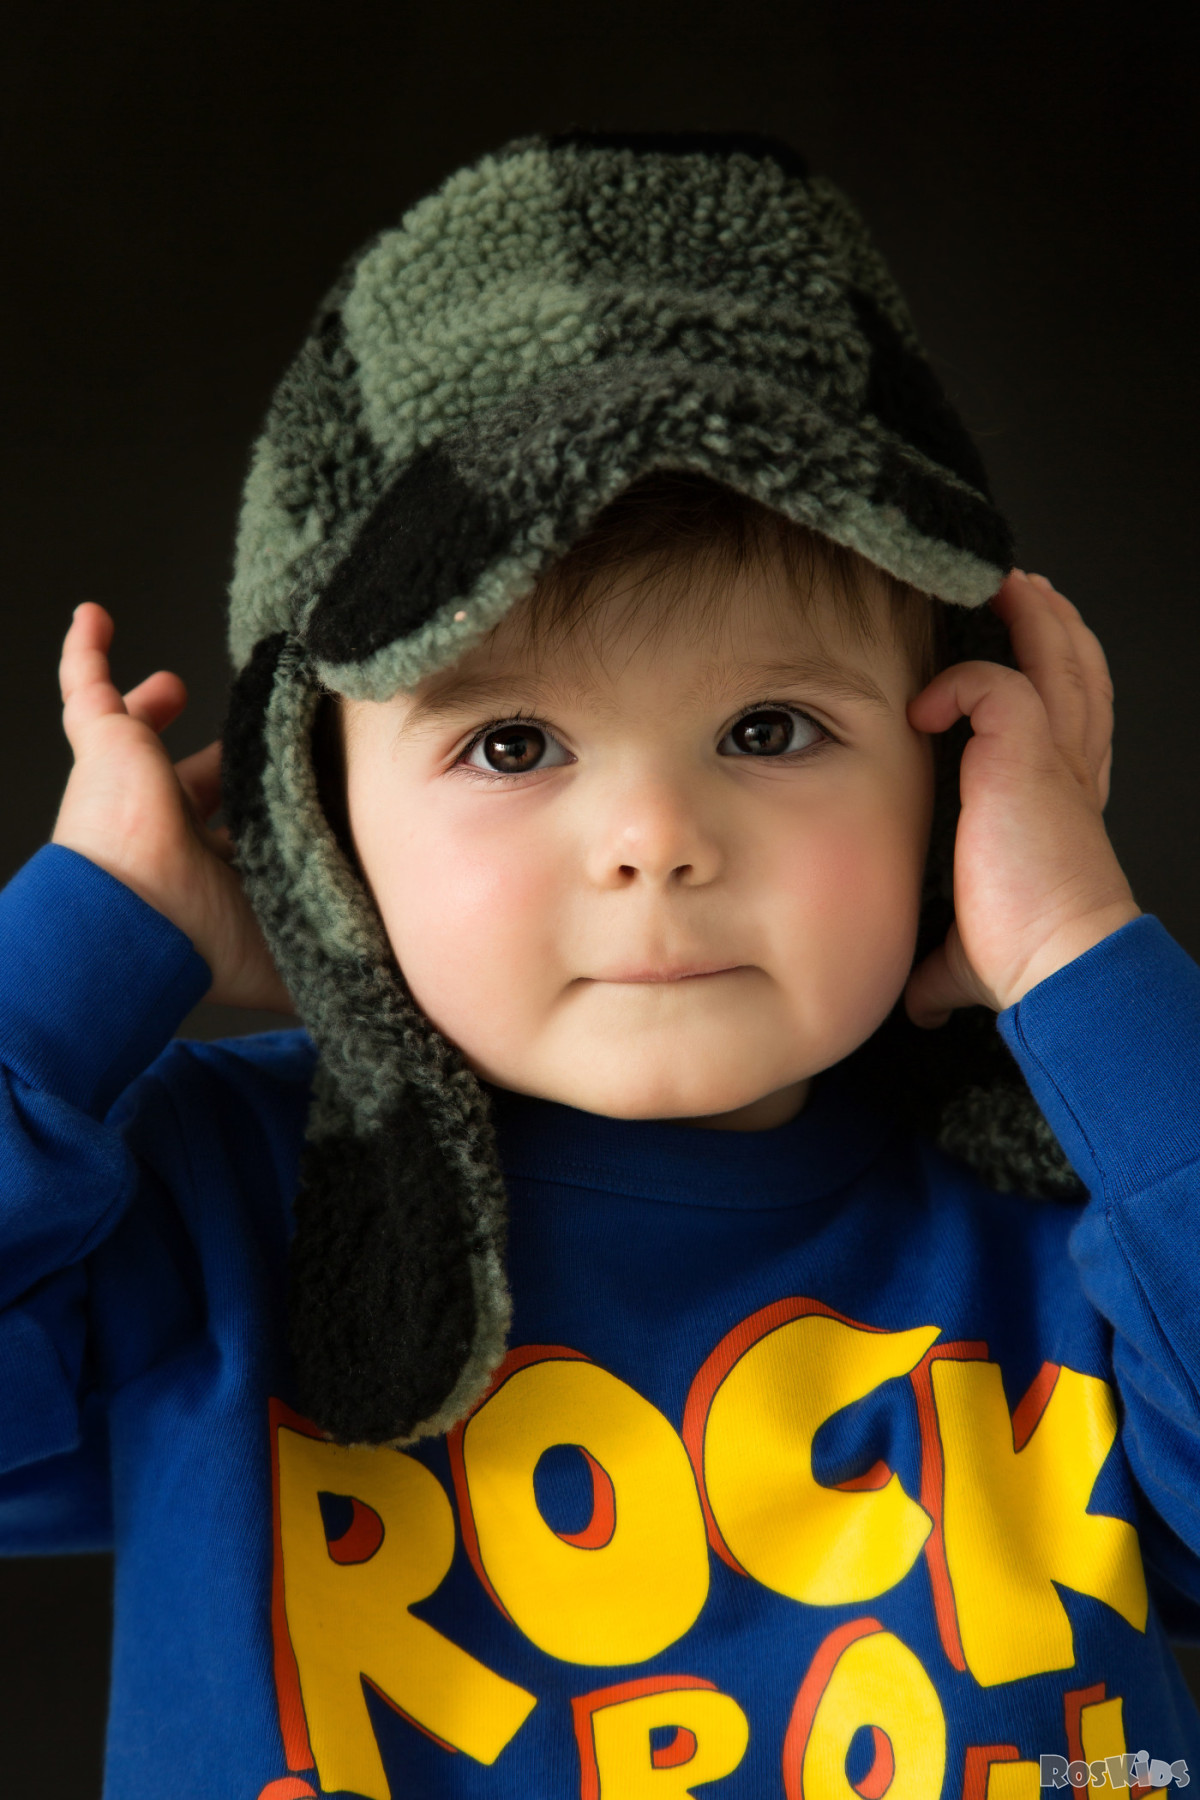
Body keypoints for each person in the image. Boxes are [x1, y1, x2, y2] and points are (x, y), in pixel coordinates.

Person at [2, 129, 1198, 1798]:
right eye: (511, 746)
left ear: (953, 783)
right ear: (317, 823)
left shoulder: (1085, 1207)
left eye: (770, 729)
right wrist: (90, 933)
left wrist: (1077, 952)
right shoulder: (212, 1212)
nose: (656, 840)